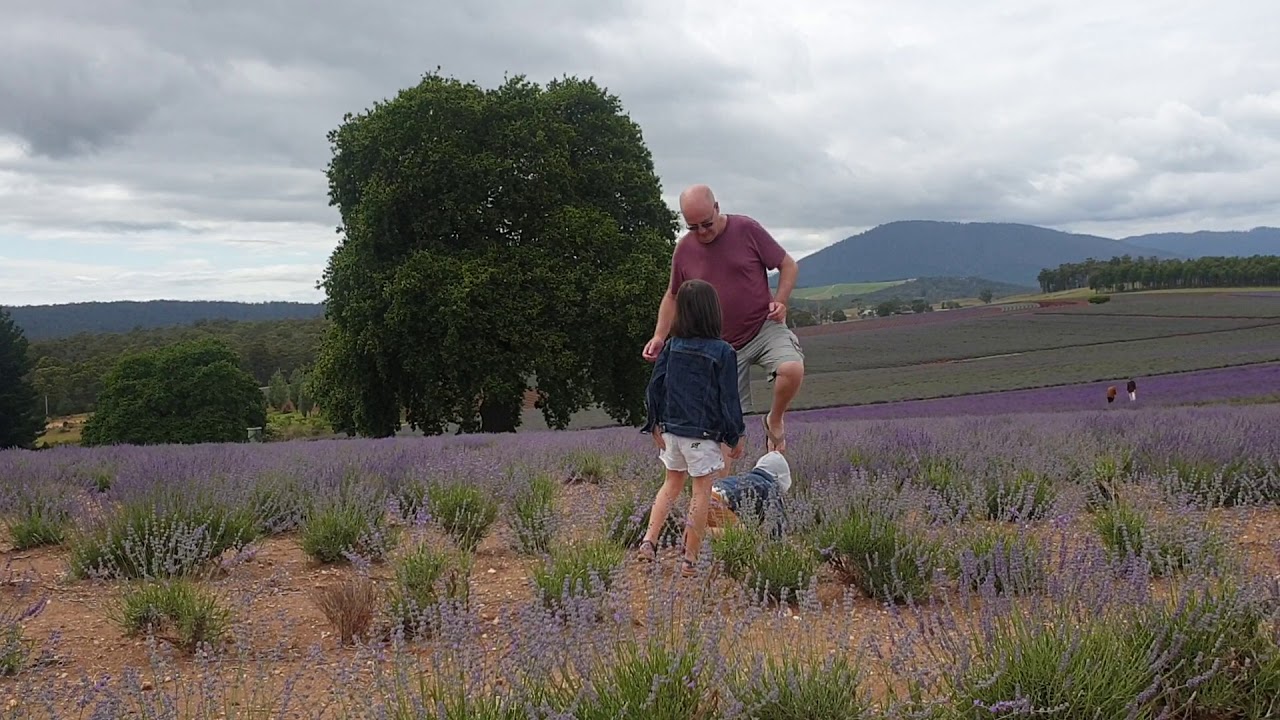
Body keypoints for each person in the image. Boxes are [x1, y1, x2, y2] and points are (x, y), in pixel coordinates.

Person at [642, 184, 804, 458]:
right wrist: (659, 336)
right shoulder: (683, 250)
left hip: (763, 326)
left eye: (707, 224)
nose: (702, 232)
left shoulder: (746, 229)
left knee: (791, 369)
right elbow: (672, 297)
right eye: (693, 227)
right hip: (719, 348)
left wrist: (781, 300)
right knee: (726, 439)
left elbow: (788, 264)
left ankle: (774, 419)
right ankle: (719, 496)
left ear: (717, 208)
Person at [638, 279, 747, 576]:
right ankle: (690, 559)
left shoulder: (672, 346)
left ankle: (649, 541)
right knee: (701, 492)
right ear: (713, 312)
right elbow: (729, 398)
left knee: (670, 484)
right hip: (702, 435)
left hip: (672, 431)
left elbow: (655, 387)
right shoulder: (723, 351)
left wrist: (654, 424)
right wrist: (735, 434)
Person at [706, 451, 793, 540]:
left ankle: (697, 530)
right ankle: (699, 532)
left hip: (704, 497)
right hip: (717, 501)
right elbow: (777, 523)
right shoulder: (769, 487)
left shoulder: (748, 480)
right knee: (743, 535)